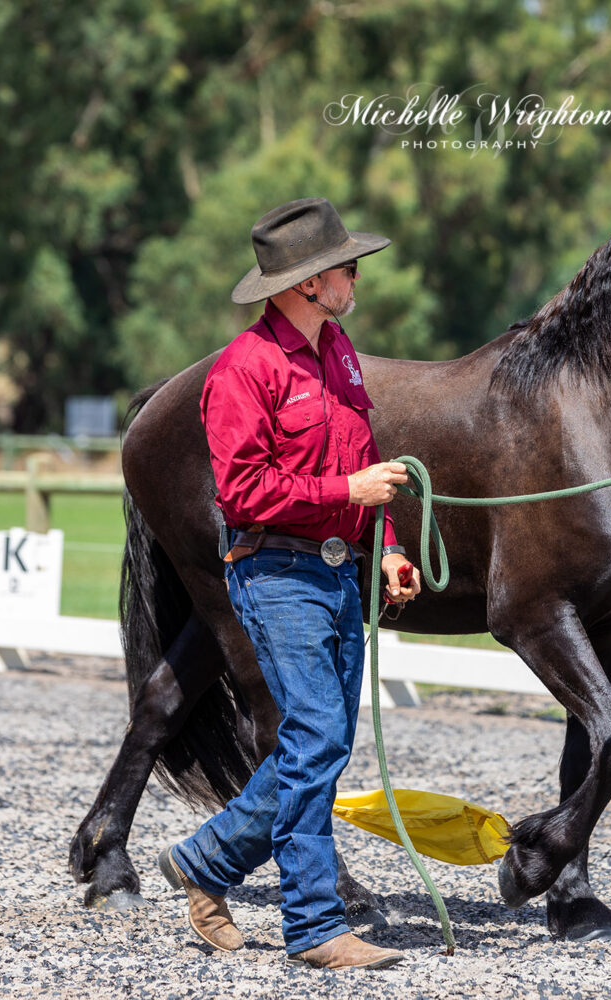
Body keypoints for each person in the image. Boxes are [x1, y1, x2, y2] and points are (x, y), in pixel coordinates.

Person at [158, 197, 420, 970]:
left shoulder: (336, 350)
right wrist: (349, 497)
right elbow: (241, 494)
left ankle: (206, 863)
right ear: (307, 283)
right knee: (315, 740)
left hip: (339, 574)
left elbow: (360, 457)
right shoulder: (244, 371)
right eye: (345, 266)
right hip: (275, 574)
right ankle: (313, 927)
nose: (354, 274)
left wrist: (389, 546)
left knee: (319, 746)